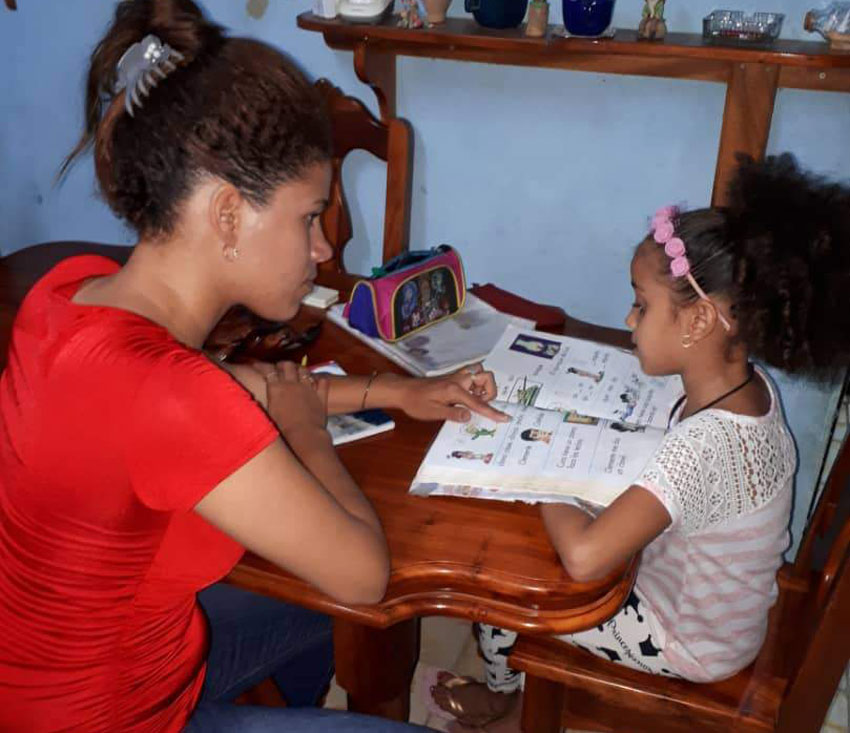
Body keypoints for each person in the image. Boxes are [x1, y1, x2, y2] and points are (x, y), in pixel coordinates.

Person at [0, 2, 508, 731]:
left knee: (302, 603)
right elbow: (363, 575)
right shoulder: (169, 396)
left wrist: (402, 390)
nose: (323, 250)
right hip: (118, 717)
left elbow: (250, 389)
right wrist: (308, 436)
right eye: (309, 217)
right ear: (229, 215)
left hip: (57, 679)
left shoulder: (68, 291)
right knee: (353, 604)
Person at [430, 154, 850, 728]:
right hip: (719, 608)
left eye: (642, 305)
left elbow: (585, 560)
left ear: (698, 322)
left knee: (507, 592)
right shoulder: (749, 391)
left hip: (687, 640)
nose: (630, 321)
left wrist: (537, 474)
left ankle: (503, 699)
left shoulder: (703, 448)